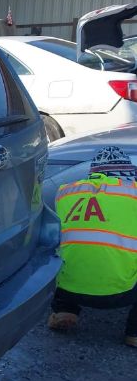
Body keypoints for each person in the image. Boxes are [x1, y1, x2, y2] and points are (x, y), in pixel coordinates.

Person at [48, 146, 137, 347]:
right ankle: (134, 333)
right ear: (127, 174)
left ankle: (64, 309)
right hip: (119, 294)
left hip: (67, 286)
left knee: (72, 249)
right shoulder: (133, 194)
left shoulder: (65, 193)